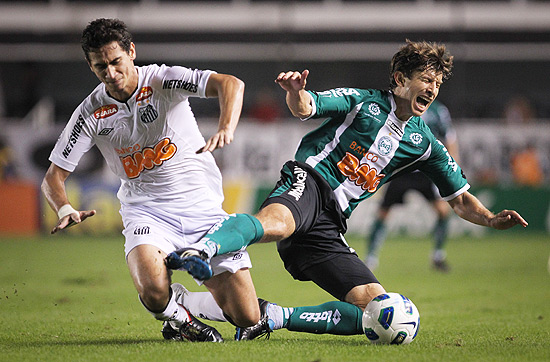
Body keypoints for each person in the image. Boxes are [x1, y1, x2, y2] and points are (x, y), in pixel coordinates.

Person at [167, 40, 528, 340]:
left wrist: (492, 219)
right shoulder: (364, 102)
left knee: (375, 309)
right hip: (309, 181)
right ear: (401, 78)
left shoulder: (424, 142)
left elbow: (461, 199)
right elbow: (308, 106)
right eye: (426, 80)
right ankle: (202, 249)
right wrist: (296, 93)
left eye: (437, 83)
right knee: (277, 223)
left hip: (330, 222)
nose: (432, 89)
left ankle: (271, 316)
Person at [41, 18, 262, 343]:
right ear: (91, 66)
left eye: (116, 62)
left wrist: (226, 127)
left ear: (131, 52)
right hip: (147, 212)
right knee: (154, 291)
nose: (111, 73)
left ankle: (182, 301)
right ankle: (174, 314)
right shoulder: (90, 112)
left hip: (202, 207)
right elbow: (53, 177)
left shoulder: (162, 79)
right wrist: (63, 209)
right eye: (100, 66)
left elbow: (231, 84)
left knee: (247, 316)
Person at [365, 100, 459, 272]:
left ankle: (438, 255)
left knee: (443, 211)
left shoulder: (438, 111)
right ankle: (371, 259)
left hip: (426, 171)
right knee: (383, 213)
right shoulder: (399, 105)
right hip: (402, 169)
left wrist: (453, 169)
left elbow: (449, 139)